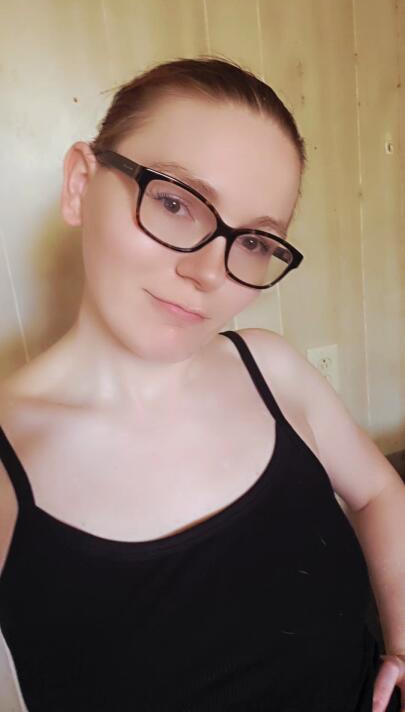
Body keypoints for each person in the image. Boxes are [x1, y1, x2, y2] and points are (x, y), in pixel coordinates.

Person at [0, 56, 403, 712]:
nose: (210, 273)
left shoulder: (271, 368)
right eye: (175, 202)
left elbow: (380, 492)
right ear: (79, 185)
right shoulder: (7, 463)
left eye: (254, 243)